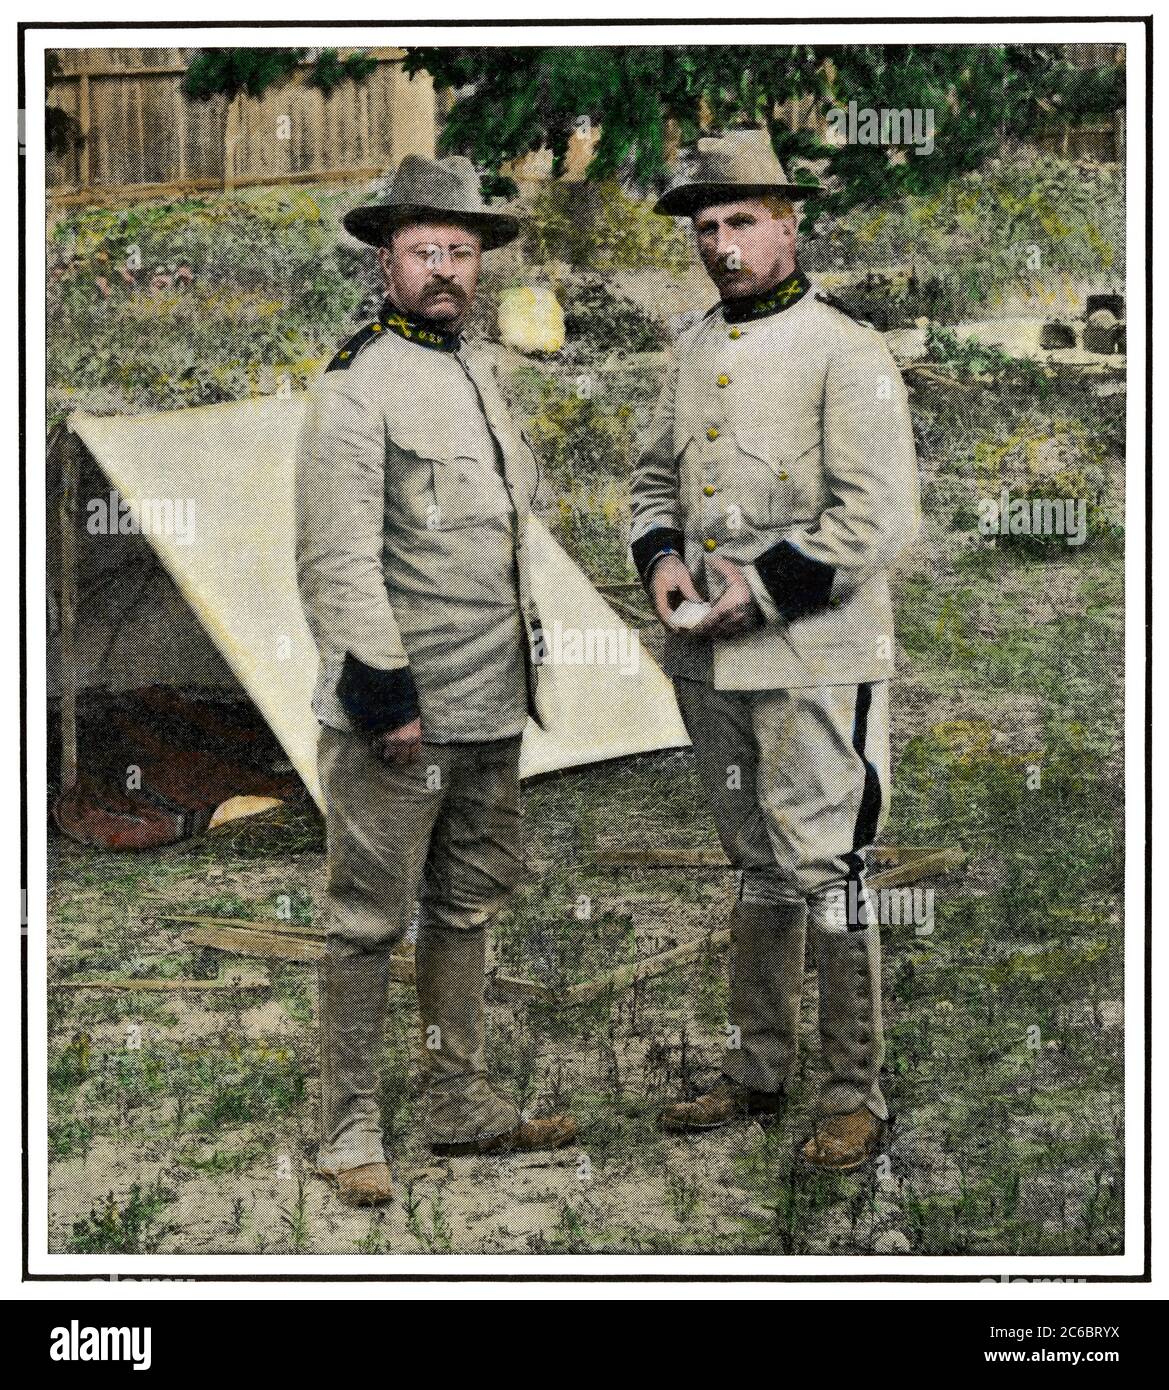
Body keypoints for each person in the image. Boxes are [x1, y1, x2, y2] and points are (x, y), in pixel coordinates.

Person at [630, 130, 921, 1170]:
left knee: (826, 866)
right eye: (704, 227)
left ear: (788, 224)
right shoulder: (694, 345)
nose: (719, 244)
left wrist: (758, 590)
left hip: (812, 650)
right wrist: (661, 563)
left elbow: (877, 518)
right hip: (704, 658)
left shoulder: (843, 348)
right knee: (753, 862)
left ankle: (853, 1092)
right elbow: (651, 482)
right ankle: (758, 1069)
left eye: (740, 220)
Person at [296, 154, 575, 1206]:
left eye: (461, 250)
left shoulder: (477, 373)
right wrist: (387, 698)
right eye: (425, 250)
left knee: (465, 906)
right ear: (385, 260)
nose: (446, 268)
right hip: (401, 715)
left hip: (492, 703)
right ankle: (348, 1125)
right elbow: (333, 560)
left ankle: (457, 1099)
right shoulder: (355, 386)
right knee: (367, 918)